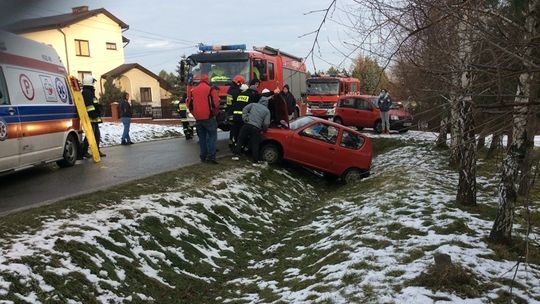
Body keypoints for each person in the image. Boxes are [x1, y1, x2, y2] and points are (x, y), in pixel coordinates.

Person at [187, 74, 220, 164]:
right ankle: (211, 157)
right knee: (212, 137)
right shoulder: (210, 89)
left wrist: (195, 115)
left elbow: (189, 104)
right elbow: (216, 103)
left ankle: (203, 157)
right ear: (207, 80)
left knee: (202, 138)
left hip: (198, 119)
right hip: (209, 117)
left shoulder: (193, 90)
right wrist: (215, 113)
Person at [232, 95, 271, 163]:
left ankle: (236, 155)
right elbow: (266, 123)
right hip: (256, 128)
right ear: (267, 103)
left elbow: (244, 109)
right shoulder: (267, 111)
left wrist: (245, 118)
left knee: (240, 139)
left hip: (247, 125)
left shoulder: (253, 104)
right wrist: (263, 129)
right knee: (255, 144)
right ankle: (255, 160)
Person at [81, 76, 106, 158]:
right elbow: (89, 105)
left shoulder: (90, 92)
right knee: (91, 136)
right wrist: (94, 114)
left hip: (94, 118)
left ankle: (96, 150)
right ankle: (85, 151)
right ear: (89, 82)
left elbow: (94, 103)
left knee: (96, 135)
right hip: (92, 118)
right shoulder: (87, 92)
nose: (94, 84)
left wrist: (99, 106)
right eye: (93, 82)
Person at [226, 75, 245, 148]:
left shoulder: (230, 90)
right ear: (238, 83)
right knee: (237, 130)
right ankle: (236, 145)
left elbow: (229, 103)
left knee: (232, 129)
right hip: (236, 113)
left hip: (230, 112)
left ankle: (231, 143)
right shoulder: (237, 91)